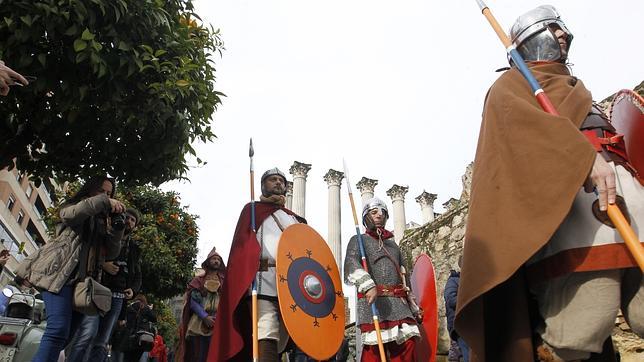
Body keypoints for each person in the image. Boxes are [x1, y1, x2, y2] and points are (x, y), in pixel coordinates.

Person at [455, 5, 644, 362]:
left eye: (563, 29)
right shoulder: (508, 88)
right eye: (552, 28)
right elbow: (523, 138)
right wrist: (581, 156)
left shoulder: (578, 88)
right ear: (529, 41)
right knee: (584, 324)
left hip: (631, 209)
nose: (563, 35)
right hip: (579, 220)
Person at [15, 176, 125, 362]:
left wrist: (117, 229)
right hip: (57, 275)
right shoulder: (74, 206)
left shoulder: (102, 221)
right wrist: (103, 201)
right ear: (90, 191)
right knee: (57, 329)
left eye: (109, 193)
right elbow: (70, 215)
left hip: (82, 285)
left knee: (66, 337)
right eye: (101, 191)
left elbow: (112, 252)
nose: (106, 196)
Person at [208, 167, 306, 361]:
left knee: (285, 335)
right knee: (266, 329)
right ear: (263, 185)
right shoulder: (252, 211)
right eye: (272, 179)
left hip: (291, 283)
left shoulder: (294, 218)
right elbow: (241, 248)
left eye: (281, 180)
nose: (278, 182)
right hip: (263, 279)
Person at [344, 197, 422, 361]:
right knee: (374, 354)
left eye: (382, 212)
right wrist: (367, 284)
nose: (379, 215)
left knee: (409, 344)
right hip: (375, 304)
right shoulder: (359, 240)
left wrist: (413, 305)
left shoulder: (393, 245)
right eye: (374, 212)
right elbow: (351, 264)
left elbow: (403, 276)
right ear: (366, 217)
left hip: (399, 304)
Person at [79, 207, 142, 362]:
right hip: (97, 290)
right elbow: (88, 254)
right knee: (87, 334)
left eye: (133, 220)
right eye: (127, 217)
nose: (129, 221)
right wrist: (104, 264)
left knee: (102, 341)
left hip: (118, 296)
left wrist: (133, 290)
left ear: (135, 226)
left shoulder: (134, 248)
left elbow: (138, 274)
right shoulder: (106, 234)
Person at [177, 247, 225, 362]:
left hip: (218, 323)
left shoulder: (225, 281)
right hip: (199, 322)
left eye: (218, 259)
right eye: (213, 259)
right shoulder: (198, 280)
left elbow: (227, 303)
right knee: (198, 356)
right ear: (208, 262)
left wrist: (217, 318)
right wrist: (205, 317)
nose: (216, 261)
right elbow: (193, 303)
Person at [444, 256, 468, 362]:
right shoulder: (453, 281)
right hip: (459, 326)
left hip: (473, 324)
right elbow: (451, 300)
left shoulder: (475, 281)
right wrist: (469, 298)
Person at [125, 294, 157, 361]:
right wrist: (150, 309)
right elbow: (154, 319)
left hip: (128, 337)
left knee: (127, 358)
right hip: (140, 337)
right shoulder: (145, 308)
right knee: (136, 358)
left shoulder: (129, 307)